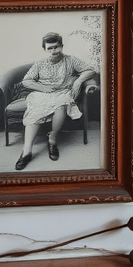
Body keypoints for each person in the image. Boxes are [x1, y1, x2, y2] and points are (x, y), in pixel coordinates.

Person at [14, 32, 96, 170]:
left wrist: (78, 81)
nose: (54, 51)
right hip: (42, 93)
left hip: (63, 92)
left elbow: (90, 70)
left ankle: (52, 139)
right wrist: (42, 87)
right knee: (35, 110)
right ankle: (26, 152)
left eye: (56, 47)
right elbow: (26, 81)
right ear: (45, 49)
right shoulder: (40, 63)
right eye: (50, 48)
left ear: (62, 46)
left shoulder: (70, 60)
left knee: (62, 106)